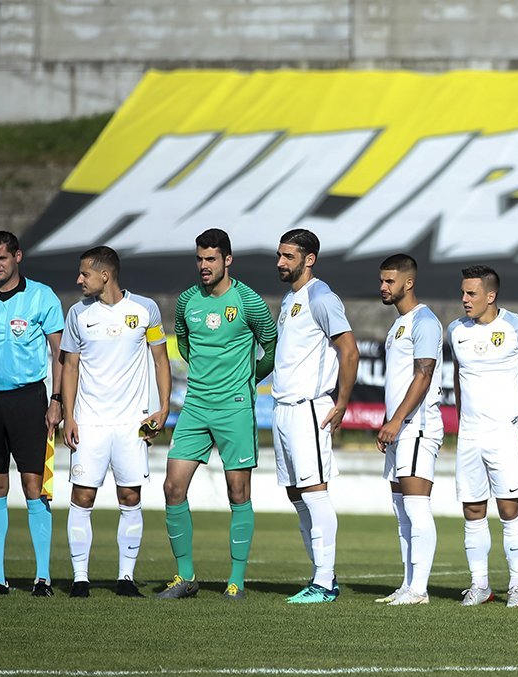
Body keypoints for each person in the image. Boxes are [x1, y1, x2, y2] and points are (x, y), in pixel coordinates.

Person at [158, 228, 277, 600]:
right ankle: (186, 577)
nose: (203, 266)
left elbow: (271, 344)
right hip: (195, 406)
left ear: (227, 260)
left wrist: (250, 377)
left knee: (237, 491)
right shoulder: (187, 301)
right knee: (173, 487)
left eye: (210, 259)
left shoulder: (248, 301)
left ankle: (236, 581)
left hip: (234, 408)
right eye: (199, 259)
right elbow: (185, 343)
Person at [61, 246, 171, 598]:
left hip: (130, 424)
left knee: (129, 495)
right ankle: (80, 578)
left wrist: (163, 409)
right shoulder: (77, 313)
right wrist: (68, 416)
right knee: (82, 496)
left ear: (105, 275)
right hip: (89, 422)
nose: (79, 280)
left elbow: (160, 360)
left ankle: (125, 578)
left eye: (85, 274)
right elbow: (70, 367)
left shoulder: (145, 309)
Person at [448, 265, 518, 609]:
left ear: (491, 295)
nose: (465, 299)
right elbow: (459, 374)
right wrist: (463, 417)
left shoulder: (517, 326)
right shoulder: (456, 330)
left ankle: (516, 587)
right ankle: (480, 585)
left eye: (472, 293)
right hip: (470, 434)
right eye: (463, 293)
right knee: (472, 509)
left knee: (509, 509)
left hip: (504, 432)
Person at [0, 230, 63, 597]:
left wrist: (57, 400)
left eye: (2, 258)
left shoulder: (42, 296)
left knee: (34, 486)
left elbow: (60, 354)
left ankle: (42, 578)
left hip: (29, 399)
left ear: (17, 256)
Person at [273, 229, 359, 604]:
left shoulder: (321, 297)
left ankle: (324, 583)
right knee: (297, 495)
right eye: (279, 255)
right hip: (283, 409)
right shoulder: (290, 298)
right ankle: (322, 575)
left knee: (314, 492)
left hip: (309, 407)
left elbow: (349, 351)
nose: (281, 262)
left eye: (289, 256)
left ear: (309, 260)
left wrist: (341, 403)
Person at [376, 253, 443, 606]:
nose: (383, 287)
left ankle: (419, 589)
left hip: (417, 427)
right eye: (382, 280)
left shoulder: (424, 321)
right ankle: (407, 584)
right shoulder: (398, 324)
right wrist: (390, 423)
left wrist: (397, 420)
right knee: (402, 513)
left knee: (417, 508)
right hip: (399, 429)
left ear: (409, 282)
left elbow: (423, 375)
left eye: (390, 281)